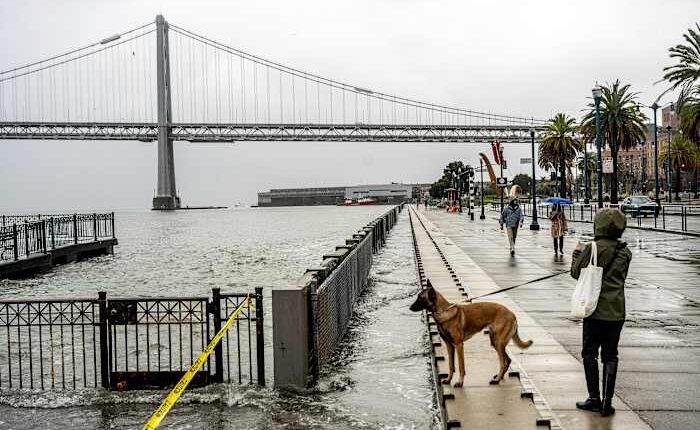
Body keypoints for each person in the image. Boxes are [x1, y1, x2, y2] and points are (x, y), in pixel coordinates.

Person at [570, 208, 632, 417]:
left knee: (589, 353)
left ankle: (594, 398)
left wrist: (577, 252)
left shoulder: (592, 247)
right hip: (616, 311)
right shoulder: (625, 251)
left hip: (594, 310)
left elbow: (575, 273)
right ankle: (608, 402)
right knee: (611, 355)